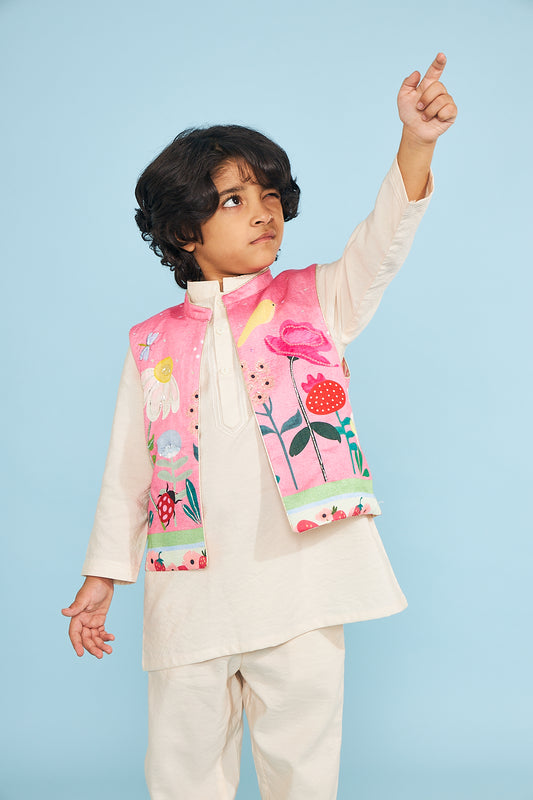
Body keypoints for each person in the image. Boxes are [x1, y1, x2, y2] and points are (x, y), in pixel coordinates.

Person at [62, 53, 456, 800]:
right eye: (235, 199)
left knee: (302, 770)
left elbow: (381, 247)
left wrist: (416, 143)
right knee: (182, 771)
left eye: (270, 195)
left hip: (303, 588)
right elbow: (128, 473)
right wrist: (102, 575)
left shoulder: (317, 302)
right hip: (191, 595)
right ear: (184, 230)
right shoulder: (150, 344)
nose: (264, 211)